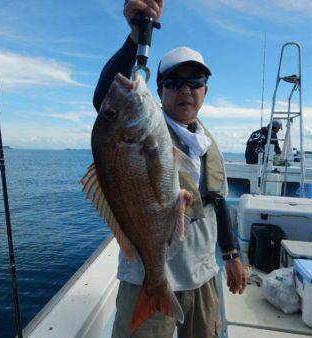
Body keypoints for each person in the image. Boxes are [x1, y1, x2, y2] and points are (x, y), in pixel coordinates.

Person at [92, 1, 246, 337]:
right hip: (147, 276)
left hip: (203, 273)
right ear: (158, 90)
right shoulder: (150, 129)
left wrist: (231, 255)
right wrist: (135, 38)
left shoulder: (205, 141)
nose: (186, 88)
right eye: (174, 82)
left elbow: (217, 201)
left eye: (195, 79)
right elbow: (105, 96)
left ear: (205, 90)